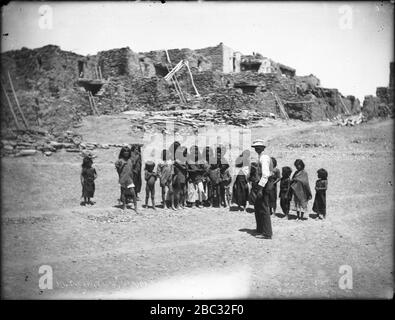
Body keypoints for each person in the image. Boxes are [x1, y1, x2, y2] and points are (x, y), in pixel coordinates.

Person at [251, 139, 273, 239]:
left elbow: (265, 175)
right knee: (259, 208)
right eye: (256, 147)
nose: (257, 149)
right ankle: (261, 229)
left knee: (264, 208)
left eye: (258, 147)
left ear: (263, 148)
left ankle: (267, 233)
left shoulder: (264, 158)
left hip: (263, 185)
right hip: (261, 185)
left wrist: (260, 189)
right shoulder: (261, 157)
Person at [115, 146, 138, 212]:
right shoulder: (120, 161)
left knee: (133, 193)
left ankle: (135, 206)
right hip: (123, 178)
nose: (126, 153)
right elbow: (118, 170)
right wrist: (121, 166)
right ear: (122, 152)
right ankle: (124, 205)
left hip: (130, 179)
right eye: (124, 151)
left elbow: (132, 168)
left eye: (127, 151)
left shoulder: (130, 160)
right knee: (123, 193)